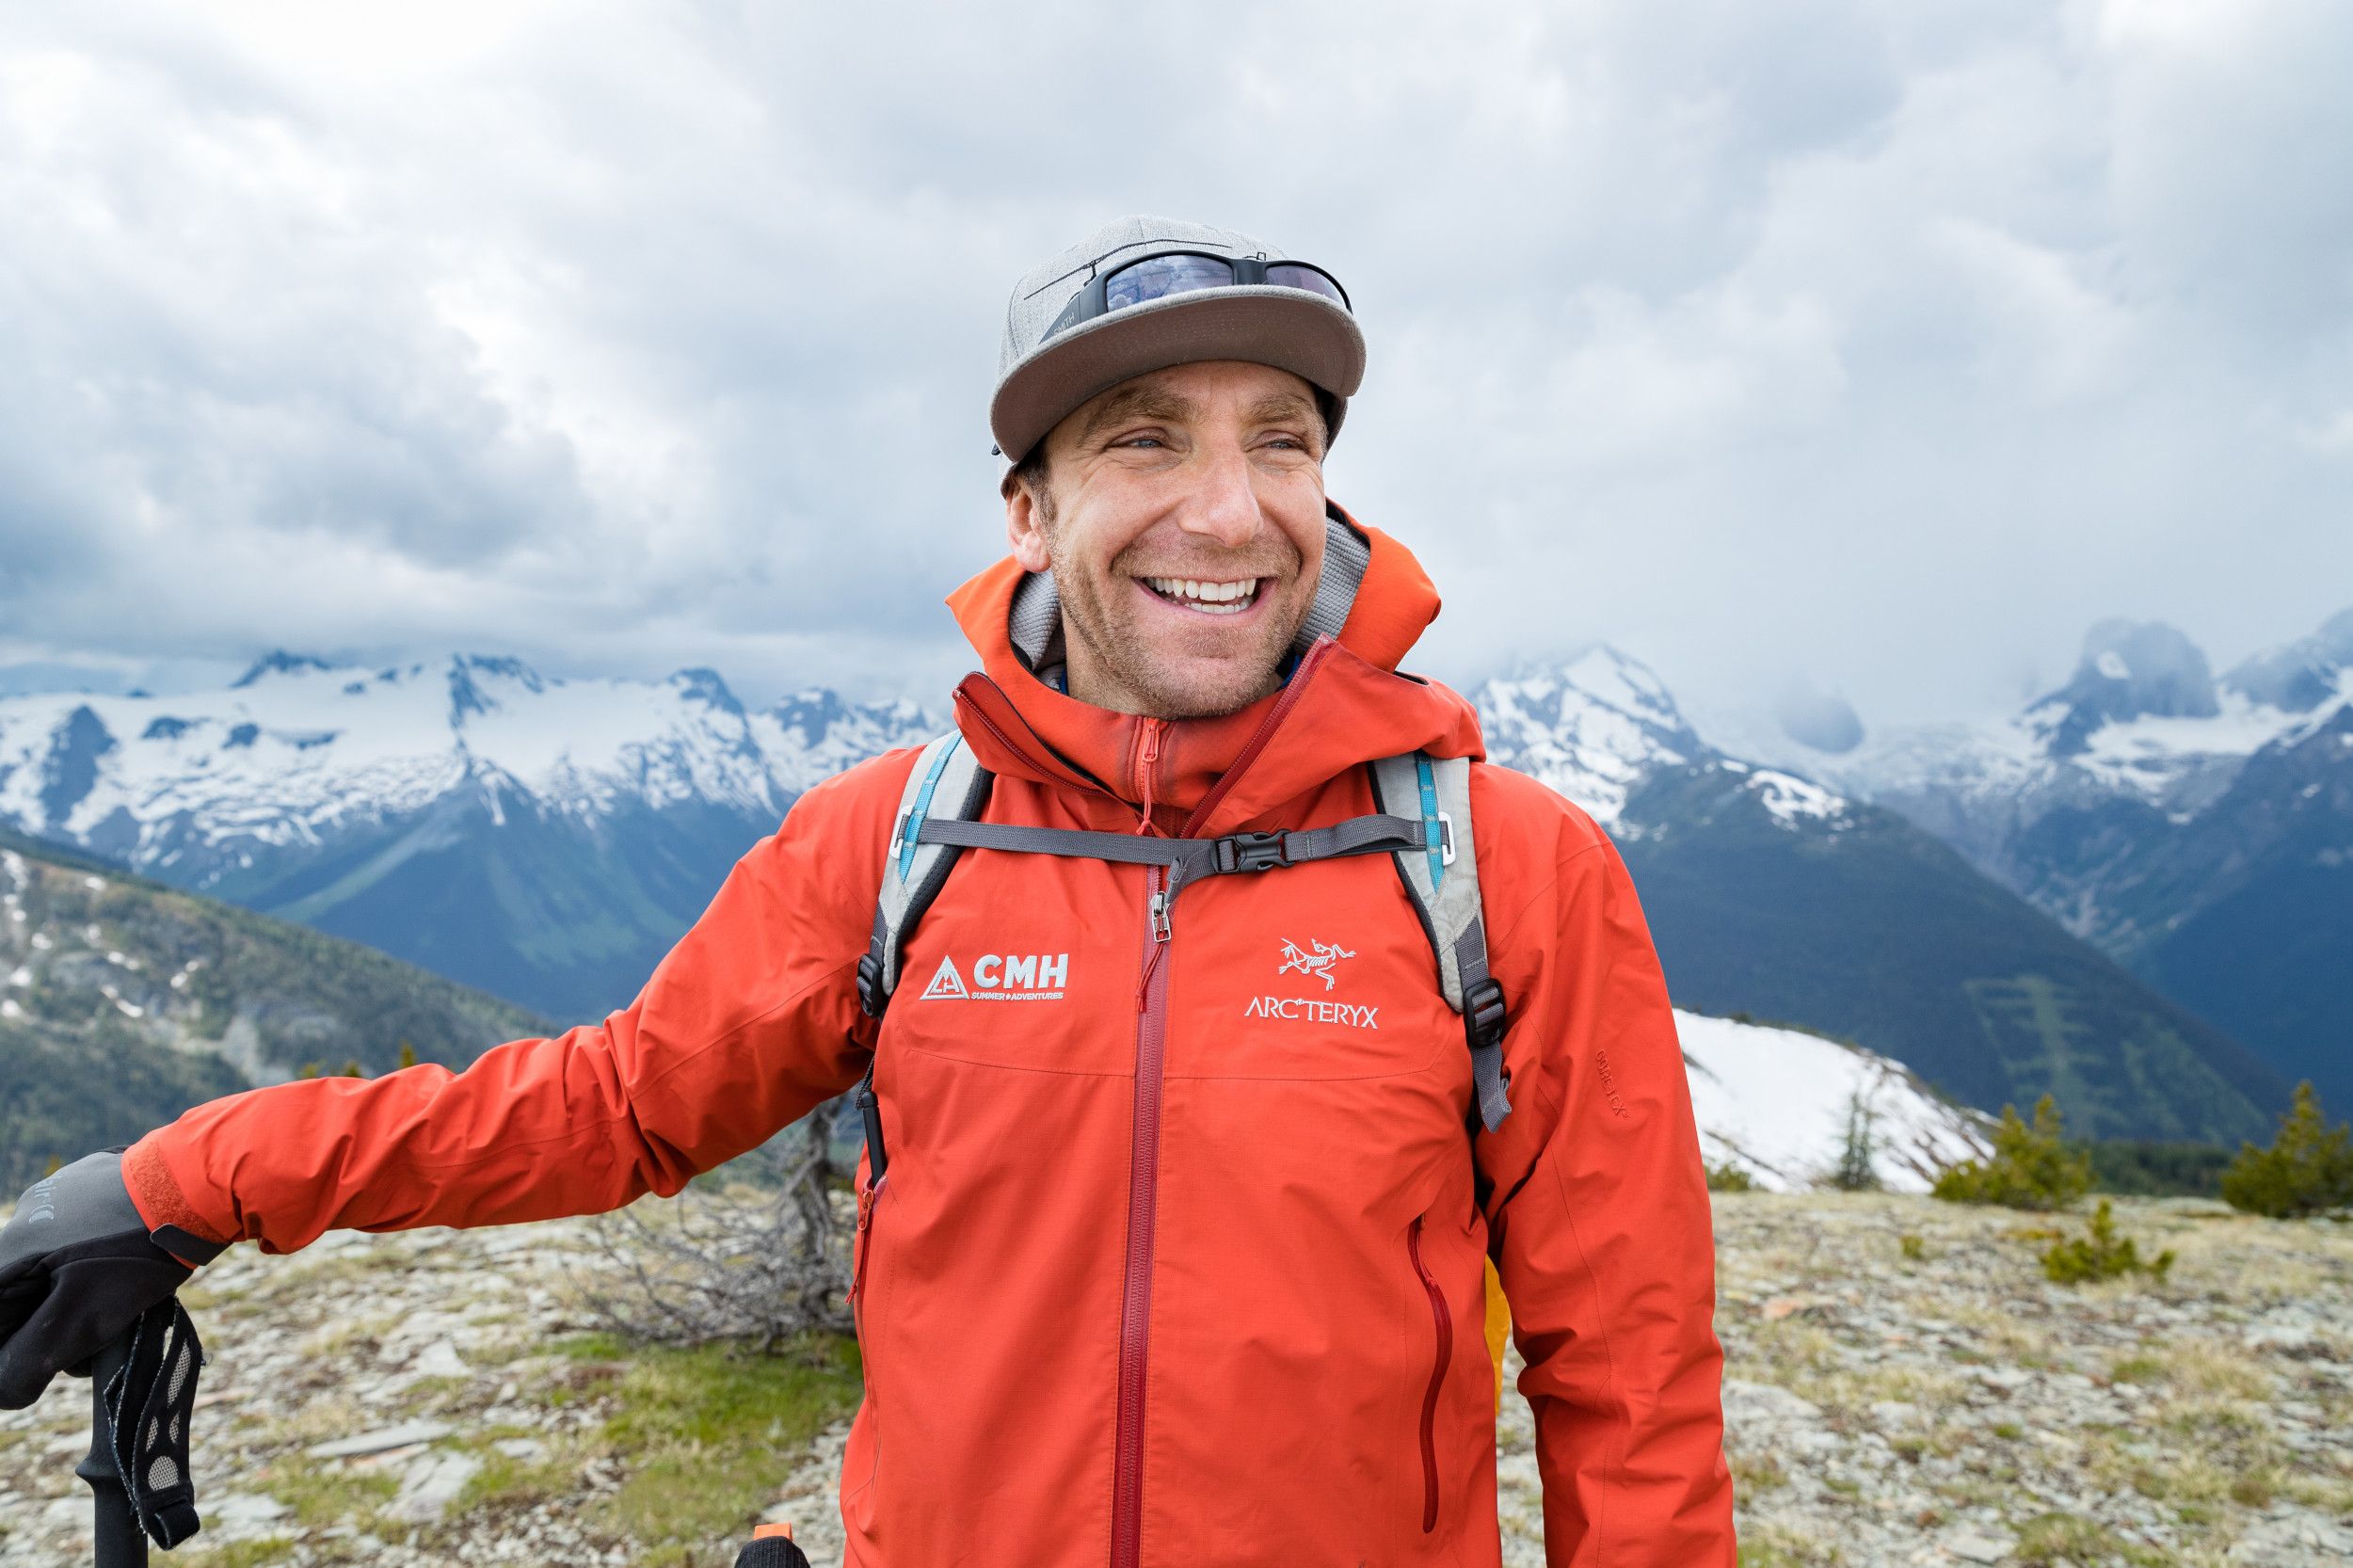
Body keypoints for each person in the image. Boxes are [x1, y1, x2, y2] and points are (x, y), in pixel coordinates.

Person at [0, 216, 1737, 1565]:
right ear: (1030, 507)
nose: (1228, 509)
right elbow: (609, 1108)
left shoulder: (1504, 867)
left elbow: (1630, 1375)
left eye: (1279, 442)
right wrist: (188, 1178)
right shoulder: (896, 845)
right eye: (1145, 441)